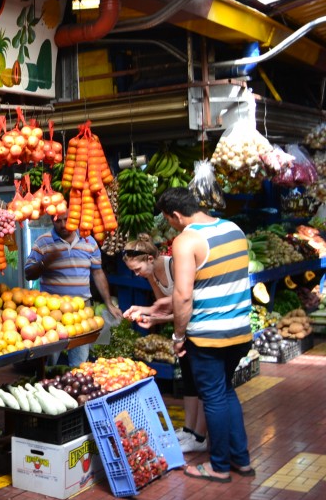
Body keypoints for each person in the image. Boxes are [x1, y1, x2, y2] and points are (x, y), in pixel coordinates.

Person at [158, 187, 254, 483]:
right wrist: (167, 302)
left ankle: (219, 466)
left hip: (209, 336)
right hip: (240, 331)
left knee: (212, 397)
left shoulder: (186, 240)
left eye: (168, 220)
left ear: (175, 215)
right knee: (225, 391)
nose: (170, 225)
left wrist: (177, 336)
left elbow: (184, 296)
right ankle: (242, 461)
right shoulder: (233, 228)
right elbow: (214, 279)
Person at [121, 234, 207, 453]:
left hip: (199, 327)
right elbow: (166, 308)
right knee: (188, 379)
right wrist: (146, 314)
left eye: (137, 269)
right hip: (183, 330)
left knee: (201, 383)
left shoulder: (175, 266)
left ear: (150, 259)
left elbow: (187, 306)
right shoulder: (152, 276)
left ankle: (200, 436)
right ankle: (189, 430)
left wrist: (154, 316)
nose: (136, 274)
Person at [24, 213, 122, 367]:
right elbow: (28, 273)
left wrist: (109, 303)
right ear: (52, 221)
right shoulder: (43, 242)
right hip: (50, 312)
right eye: (58, 221)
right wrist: (44, 263)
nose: (63, 225)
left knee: (80, 361)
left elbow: (98, 272)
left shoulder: (89, 241)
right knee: (48, 361)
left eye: (67, 220)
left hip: (81, 310)